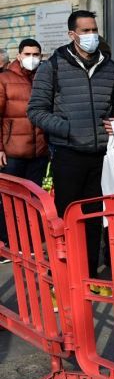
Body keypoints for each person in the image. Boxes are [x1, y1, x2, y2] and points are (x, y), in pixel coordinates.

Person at [28, 10, 114, 292]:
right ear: (72, 34)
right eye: (85, 31)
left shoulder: (111, 68)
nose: (91, 35)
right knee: (67, 218)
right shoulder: (53, 67)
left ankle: (89, 277)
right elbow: (35, 110)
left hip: (100, 156)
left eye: (94, 29)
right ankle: (63, 279)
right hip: (67, 154)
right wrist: (68, 129)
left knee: (93, 219)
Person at [0, 39, 49, 263]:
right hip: (12, 151)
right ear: (19, 55)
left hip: (38, 151)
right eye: (28, 54)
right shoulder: (4, 79)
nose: (32, 58)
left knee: (32, 200)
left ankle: (28, 243)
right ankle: (7, 244)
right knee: (9, 200)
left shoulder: (43, 78)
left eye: (36, 54)